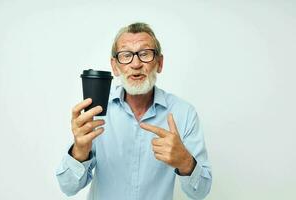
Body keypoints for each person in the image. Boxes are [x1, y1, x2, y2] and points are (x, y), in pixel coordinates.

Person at [56, 22, 212, 200]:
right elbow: (68, 187)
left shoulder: (184, 113)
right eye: (126, 55)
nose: (136, 64)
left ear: (159, 63)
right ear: (115, 66)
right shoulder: (96, 113)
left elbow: (200, 193)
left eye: (145, 54)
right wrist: (79, 151)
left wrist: (185, 162)